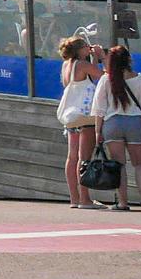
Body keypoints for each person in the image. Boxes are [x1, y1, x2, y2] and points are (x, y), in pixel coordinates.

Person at [91, 44, 141, 210]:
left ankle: (122, 202)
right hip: (135, 123)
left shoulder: (106, 80)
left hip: (112, 124)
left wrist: (98, 132)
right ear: (129, 60)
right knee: (140, 164)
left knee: (118, 165)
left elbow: (99, 109)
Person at [55, 36, 106, 209]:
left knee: (72, 157)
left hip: (71, 115)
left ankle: (74, 198)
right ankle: (85, 199)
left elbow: (86, 79)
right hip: (85, 115)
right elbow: (103, 78)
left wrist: (93, 58)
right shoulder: (83, 65)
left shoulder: (66, 65)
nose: (88, 48)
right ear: (79, 49)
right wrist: (100, 56)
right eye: (86, 46)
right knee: (84, 158)